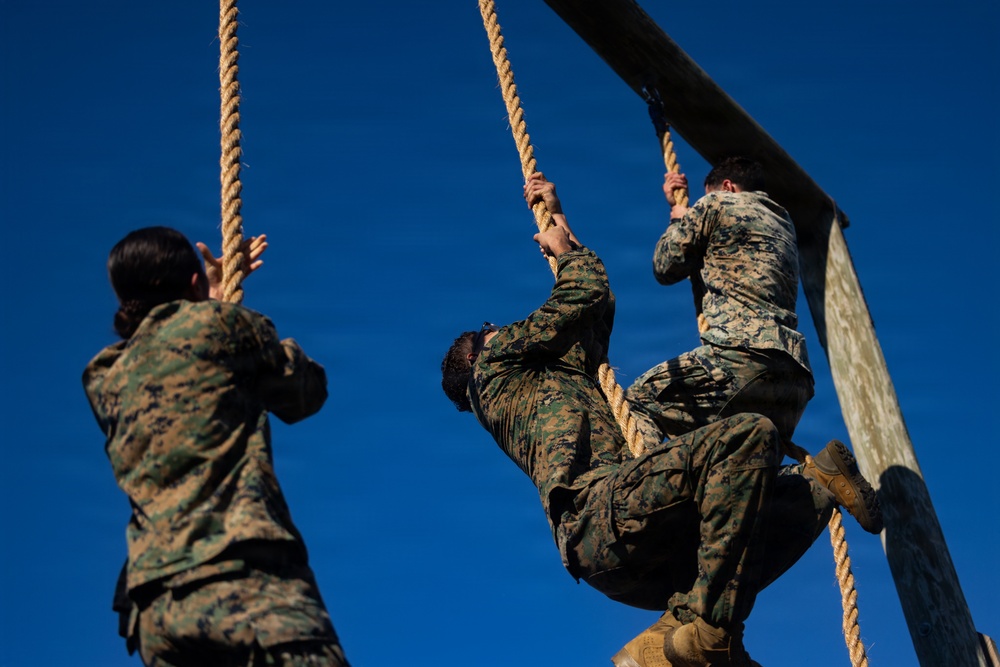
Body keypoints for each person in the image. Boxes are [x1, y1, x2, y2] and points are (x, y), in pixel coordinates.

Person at [440, 174, 879, 667]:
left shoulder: (548, 380)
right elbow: (580, 291)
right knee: (747, 437)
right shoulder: (496, 367)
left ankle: (811, 490)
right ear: (477, 356)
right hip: (599, 516)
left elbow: (594, 307)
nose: (498, 328)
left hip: (641, 556)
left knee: (755, 503)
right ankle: (714, 633)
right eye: (488, 330)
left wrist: (558, 218)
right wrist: (564, 253)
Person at [83, 226, 349, 667]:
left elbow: (181, 366)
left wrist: (206, 300)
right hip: (240, 581)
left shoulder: (104, 376)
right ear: (193, 282)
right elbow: (305, 393)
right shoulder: (221, 326)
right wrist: (216, 304)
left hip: (156, 612)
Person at [626, 156, 815, 446]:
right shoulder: (784, 222)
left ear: (727, 186)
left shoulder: (717, 203)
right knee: (736, 469)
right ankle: (815, 483)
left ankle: (635, 490)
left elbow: (666, 266)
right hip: (794, 380)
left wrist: (678, 217)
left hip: (743, 356)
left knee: (639, 401)